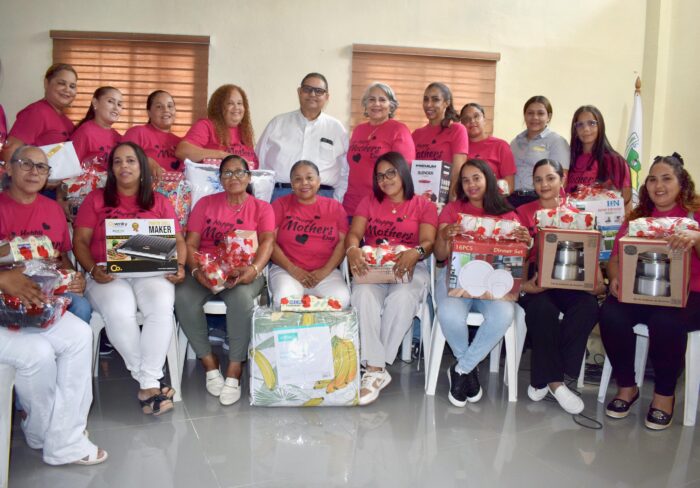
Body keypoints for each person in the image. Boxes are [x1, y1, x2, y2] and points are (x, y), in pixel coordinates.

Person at [72, 142, 186, 415]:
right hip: (107, 272)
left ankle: (148, 383)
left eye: (131, 161)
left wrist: (180, 265)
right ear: (111, 169)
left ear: (142, 167)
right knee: (119, 310)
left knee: (161, 307)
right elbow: (80, 241)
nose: (124, 166)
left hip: (152, 271)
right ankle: (149, 382)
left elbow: (179, 240)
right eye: (118, 161)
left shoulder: (159, 201)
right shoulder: (95, 199)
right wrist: (92, 270)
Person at [599, 153, 700, 430]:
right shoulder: (637, 218)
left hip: (691, 295)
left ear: (682, 183)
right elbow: (615, 259)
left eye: (667, 178)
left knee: (665, 321)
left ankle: (664, 396)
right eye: (653, 180)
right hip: (642, 291)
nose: (659, 185)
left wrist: (696, 237)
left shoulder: (695, 214)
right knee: (610, 314)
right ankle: (627, 387)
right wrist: (615, 278)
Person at [175, 155, 273, 406]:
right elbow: (191, 244)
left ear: (249, 177)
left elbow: (267, 243)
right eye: (227, 173)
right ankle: (209, 362)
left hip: (244, 272)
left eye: (239, 172)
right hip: (205, 269)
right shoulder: (205, 204)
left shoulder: (262, 208)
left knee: (240, 299)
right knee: (182, 296)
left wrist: (253, 269)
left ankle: (235, 367)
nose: (233, 177)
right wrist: (197, 272)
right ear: (220, 179)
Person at [433, 159, 530, 406]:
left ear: (488, 179)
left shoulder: (508, 215)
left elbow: (517, 262)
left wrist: (525, 243)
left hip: (493, 286)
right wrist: (444, 235)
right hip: (456, 282)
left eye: (476, 178)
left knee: (503, 315)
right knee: (449, 315)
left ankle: (462, 369)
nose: (471, 185)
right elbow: (441, 256)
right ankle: (469, 368)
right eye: (465, 180)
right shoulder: (453, 210)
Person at [345, 152, 437, 405]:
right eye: (380, 176)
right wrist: (352, 250)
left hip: (410, 267)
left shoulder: (424, 205)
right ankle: (376, 369)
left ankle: (373, 368)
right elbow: (354, 233)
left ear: (403, 173)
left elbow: (428, 243)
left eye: (390, 173)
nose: (385, 180)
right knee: (362, 294)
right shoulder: (369, 201)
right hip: (374, 266)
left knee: (403, 298)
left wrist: (415, 252)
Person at [516, 158, 604, 414]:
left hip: (571, 278)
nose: (544, 184)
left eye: (550, 178)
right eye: (538, 179)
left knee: (588, 307)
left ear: (562, 179)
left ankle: (545, 378)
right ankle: (557, 383)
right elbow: (516, 257)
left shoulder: (579, 215)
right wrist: (525, 285)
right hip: (537, 279)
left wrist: (594, 284)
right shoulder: (523, 213)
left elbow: (592, 260)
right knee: (541, 310)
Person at [0, 267, 108, 466]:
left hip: (9, 301)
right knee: (37, 352)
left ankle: (65, 438)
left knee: (79, 334)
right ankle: (40, 431)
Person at [0, 145, 91, 323]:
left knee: (81, 306)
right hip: (8, 289)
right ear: (9, 168)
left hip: (49, 288)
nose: (34, 172)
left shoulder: (54, 209)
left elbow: (62, 256)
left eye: (41, 167)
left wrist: (74, 278)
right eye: (26, 164)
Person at [269, 160, 350, 308]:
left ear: (318, 181)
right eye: (298, 179)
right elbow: (269, 242)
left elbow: (343, 243)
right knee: (284, 301)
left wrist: (324, 271)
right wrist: (293, 269)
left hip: (326, 272)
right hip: (286, 270)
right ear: (292, 184)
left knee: (341, 300)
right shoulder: (279, 205)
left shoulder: (335, 207)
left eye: (309, 178)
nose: (304, 183)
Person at [256, 72, 349, 201]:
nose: (312, 94)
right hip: (281, 196)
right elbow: (259, 163)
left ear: (327, 97)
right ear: (299, 92)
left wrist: (337, 201)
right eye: (307, 89)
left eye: (319, 91)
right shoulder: (277, 123)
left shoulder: (336, 129)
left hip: (323, 197)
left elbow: (345, 171)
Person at [343, 82, 415, 216]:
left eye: (382, 100)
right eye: (371, 99)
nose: (376, 104)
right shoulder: (359, 130)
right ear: (365, 104)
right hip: (352, 204)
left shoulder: (399, 130)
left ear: (391, 106)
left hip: (381, 204)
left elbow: (403, 172)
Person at [2, 63, 77, 163]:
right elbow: (9, 152)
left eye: (72, 86)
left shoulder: (68, 123)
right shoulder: (36, 112)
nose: (67, 89)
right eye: (61, 83)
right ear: (46, 83)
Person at [176, 84, 257, 167]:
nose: (236, 107)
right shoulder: (206, 126)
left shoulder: (244, 132)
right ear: (219, 107)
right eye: (230, 103)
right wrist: (222, 155)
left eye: (239, 103)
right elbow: (182, 151)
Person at [510, 96, 569, 207]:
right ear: (524, 115)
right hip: (512, 199)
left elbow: (561, 180)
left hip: (539, 199)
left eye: (540, 113)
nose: (535, 117)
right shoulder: (515, 142)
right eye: (530, 113)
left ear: (549, 117)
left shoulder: (557, 141)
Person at [411, 82, 468, 198]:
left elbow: (457, 173)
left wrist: (451, 203)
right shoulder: (416, 134)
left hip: (444, 200)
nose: (429, 104)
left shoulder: (457, 130)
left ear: (446, 103)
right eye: (426, 99)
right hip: (418, 199)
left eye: (435, 99)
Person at [566, 105, 632, 204]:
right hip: (570, 213)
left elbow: (625, 199)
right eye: (580, 125)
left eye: (591, 123)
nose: (586, 129)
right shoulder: (569, 158)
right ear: (575, 130)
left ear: (600, 126)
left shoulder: (615, 160)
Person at [123, 90, 182, 178]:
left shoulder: (181, 143)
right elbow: (123, 159)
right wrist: (147, 162)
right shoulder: (137, 132)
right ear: (149, 112)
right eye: (159, 106)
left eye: (170, 106)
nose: (166, 110)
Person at [461, 102, 516, 195]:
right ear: (461, 124)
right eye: (466, 119)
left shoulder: (501, 146)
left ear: (484, 120)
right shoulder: (459, 149)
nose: (472, 121)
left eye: (476, 116)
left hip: (493, 201)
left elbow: (509, 186)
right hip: (465, 200)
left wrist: (490, 198)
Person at [70, 86, 123, 168]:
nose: (116, 108)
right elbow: (70, 168)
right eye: (110, 101)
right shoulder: (85, 132)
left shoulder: (119, 138)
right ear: (95, 103)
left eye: (119, 104)